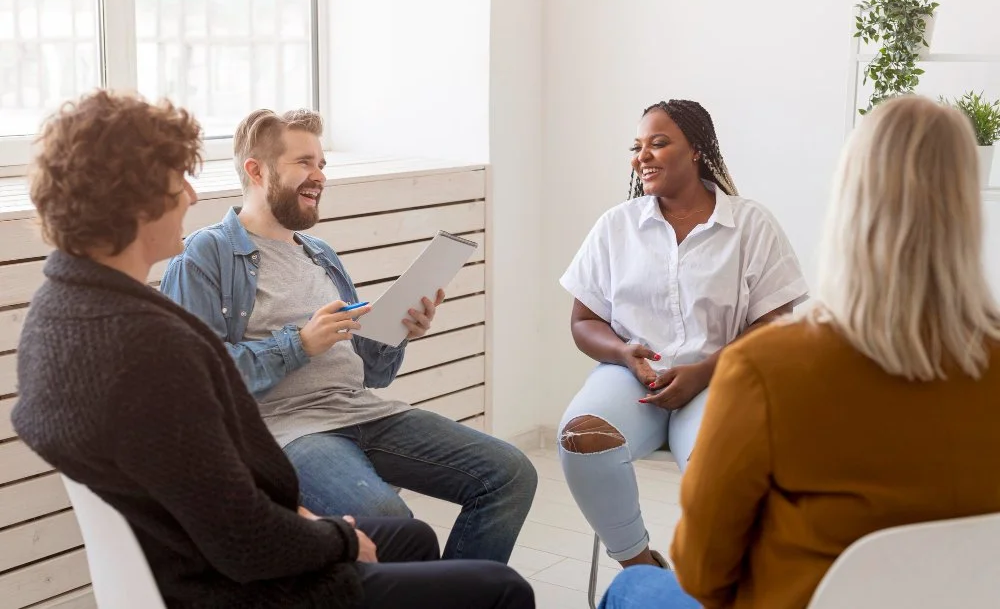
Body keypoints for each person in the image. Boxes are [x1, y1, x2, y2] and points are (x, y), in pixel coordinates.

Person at [11, 90, 534, 609]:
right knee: (483, 577)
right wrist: (335, 535)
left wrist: (397, 330)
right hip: (268, 521)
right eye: (179, 180)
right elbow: (238, 524)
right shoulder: (164, 318)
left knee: (492, 485)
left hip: (346, 420)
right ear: (135, 196)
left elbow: (226, 483)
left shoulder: (72, 313)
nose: (192, 197)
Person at [603, 94, 1000, 608]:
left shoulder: (767, 368)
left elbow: (702, 574)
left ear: (849, 204)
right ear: (968, 208)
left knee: (631, 588)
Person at [159, 108, 537, 564]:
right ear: (255, 170)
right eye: (304, 163)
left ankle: (466, 595)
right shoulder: (208, 253)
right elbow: (198, 380)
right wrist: (298, 343)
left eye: (321, 164)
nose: (319, 176)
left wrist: (398, 331)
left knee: (511, 474)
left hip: (360, 411)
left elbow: (372, 374)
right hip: (287, 430)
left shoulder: (320, 254)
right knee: (393, 522)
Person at [558, 99, 809, 569]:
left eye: (658, 143)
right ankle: (642, 569)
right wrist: (623, 352)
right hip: (633, 376)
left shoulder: (750, 223)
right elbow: (583, 322)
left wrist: (704, 372)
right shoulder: (616, 226)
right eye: (637, 147)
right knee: (581, 438)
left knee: (725, 460)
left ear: (695, 150)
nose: (643, 156)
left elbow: (774, 325)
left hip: (722, 373)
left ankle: (716, 577)